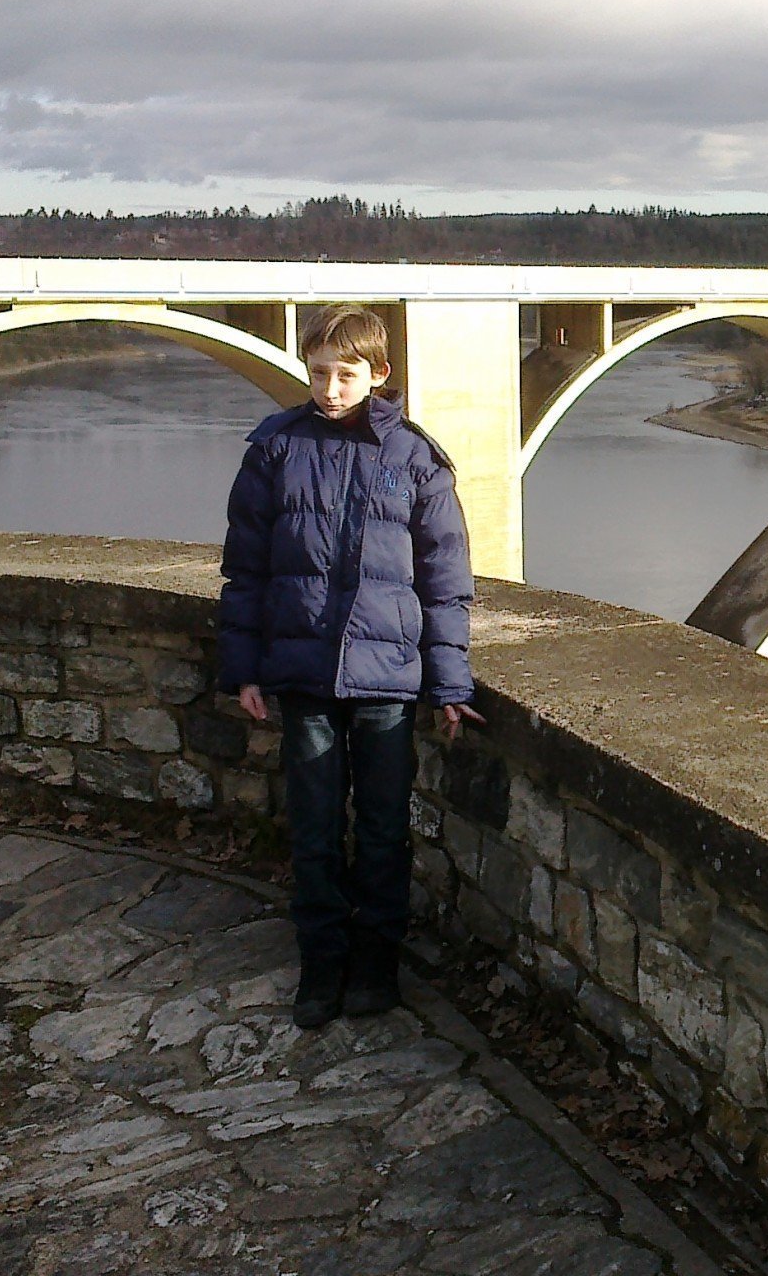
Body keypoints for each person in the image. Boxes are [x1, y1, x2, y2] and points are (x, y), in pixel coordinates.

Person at [217, 304, 482, 1029]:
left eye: (346, 374)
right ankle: (321, 966)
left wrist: (450, 681)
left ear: (379, 375)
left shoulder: (416, 460)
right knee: (311, 831)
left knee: (381, 830)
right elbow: (245, 572)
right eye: (318, 372)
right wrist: (243, 669)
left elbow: (445, 582)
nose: (330, 388)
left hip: (388, 683)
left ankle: (374, 966)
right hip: (304, 676)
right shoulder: (273, 450)